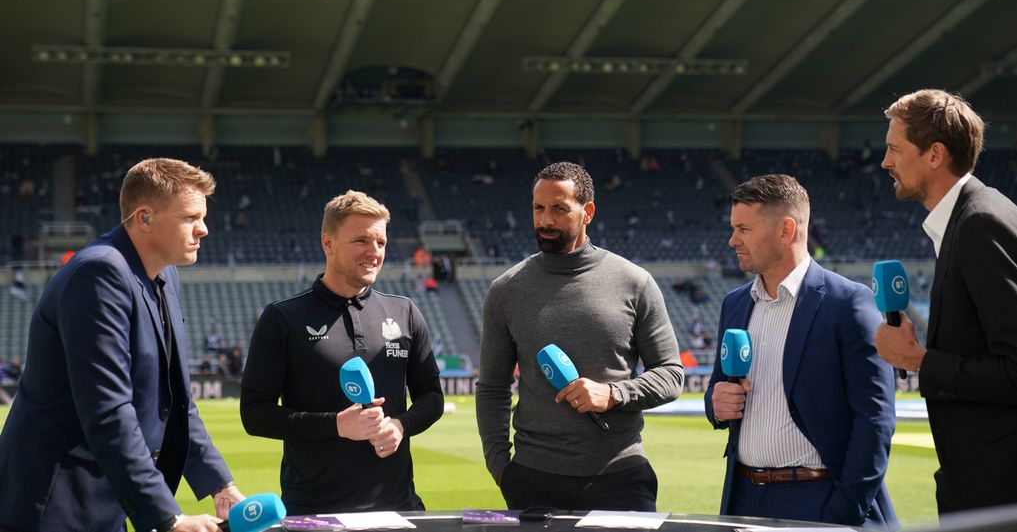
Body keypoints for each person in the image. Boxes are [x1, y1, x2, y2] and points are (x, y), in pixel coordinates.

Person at [0, 158, 243, 532]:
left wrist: (219, 484)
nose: (204, 229)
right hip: (54, 502)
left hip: (104, 499)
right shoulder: (99, 274)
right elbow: (108, 410)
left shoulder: (165, 273)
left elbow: (177, 401)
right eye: (190, 217)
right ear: (144, 218)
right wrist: (168, 517)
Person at [476, 162, 684, 512]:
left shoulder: (635, 282)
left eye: (559, 208)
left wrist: (615, 394)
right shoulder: (506, 290)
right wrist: (500, 467)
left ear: (587, 212)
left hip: (621, 477)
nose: (545, 221)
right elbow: (493, 388)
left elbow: (672, 374)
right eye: (538, 208)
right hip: (532, 479)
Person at [705, 174, 897, 529]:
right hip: (744, 499)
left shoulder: (848, 302)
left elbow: (875, 418)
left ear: (786, 229)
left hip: (819, 499)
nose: (732, 240)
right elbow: (718, 390)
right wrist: (715, 405)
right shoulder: (734, 304)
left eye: (743, 229)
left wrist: (845, 510)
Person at [240, 190, 444, 514]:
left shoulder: (404, 311)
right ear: (328, 243)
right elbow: (254, 414)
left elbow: (432, 397)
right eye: (362, 240)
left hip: (397, 507)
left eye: (381, 242)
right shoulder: (282, 318)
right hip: (313, 511)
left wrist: (401, 426)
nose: (374, 252)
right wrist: (336, 424)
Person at [875, 89, 1017, 513]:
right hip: (982, 481)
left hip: (1000, 490)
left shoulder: (981, 223)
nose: (886, 162)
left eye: (894, 149)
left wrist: (918, 360)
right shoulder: (973, 216)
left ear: (935, 154)